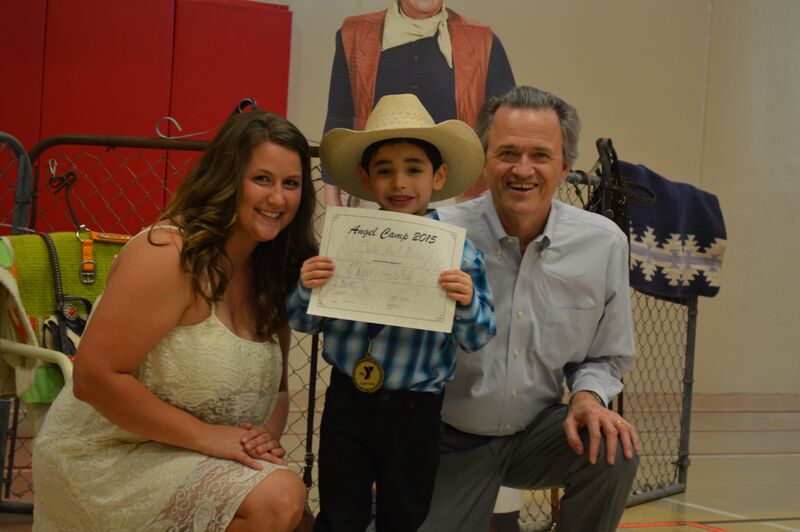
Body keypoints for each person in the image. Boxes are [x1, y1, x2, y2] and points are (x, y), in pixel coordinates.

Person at [32, 110, 318, 531]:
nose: (278, 199)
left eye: (290, 184)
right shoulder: (168, 253)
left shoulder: (275, 273)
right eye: (262, 180)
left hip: (189, 455)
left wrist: (265, 437)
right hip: (108, 455)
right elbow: (93, 377)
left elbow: (277, 390)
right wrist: (207, 436)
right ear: (228, 178)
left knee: (300, 518)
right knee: (280, 499)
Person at [419, 85, 641, 532]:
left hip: (537, 434)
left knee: (614, 445)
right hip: (447, 441)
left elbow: (606, 355)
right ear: (484, 160)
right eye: (507, 153)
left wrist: (587, 398)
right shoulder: (438, 234)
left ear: (564, 167)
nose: (523, 170)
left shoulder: (603, 244)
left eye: (539, 155)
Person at [288, 93, 496, 532]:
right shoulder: (343, 244)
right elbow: (302, 322)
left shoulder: (460, 254)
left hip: (416, 410)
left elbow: (478, 337)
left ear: (438, 176)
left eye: (414, 169)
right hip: (347, 400)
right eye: (385, 171)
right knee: (341, 512)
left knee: (406, 513)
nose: (400, 182)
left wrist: (465, 303)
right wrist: (308, 287)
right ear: (366, 178)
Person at [322, 0, 516, 207]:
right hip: (375, 192)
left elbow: (506, 124)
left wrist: (497, 194)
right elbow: (339, 115)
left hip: (459, 198)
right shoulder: (355, 33)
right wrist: (331, 193)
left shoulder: (482, 39)